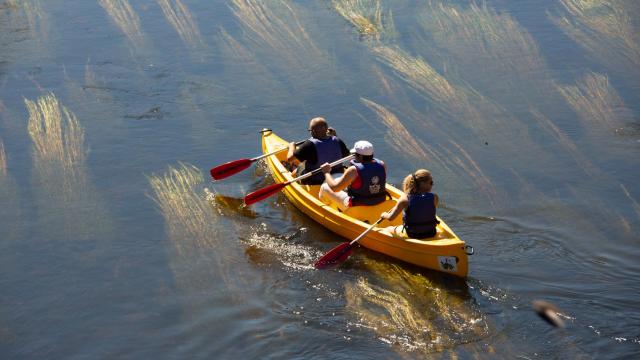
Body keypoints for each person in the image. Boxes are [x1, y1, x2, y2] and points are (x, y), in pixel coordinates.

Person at [319, 140, 387, 211]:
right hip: (379, 202)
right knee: (338, 180)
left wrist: (326, 172)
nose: (353, 157)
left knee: (325, 187)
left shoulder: (353, 170)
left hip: (357, 206)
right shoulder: (382, 165)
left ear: (360, 156)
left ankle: (330, 210)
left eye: (355, 155)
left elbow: (335, 188)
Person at [287, 117, 350, 184]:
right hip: (337, 176)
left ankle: (292, 178)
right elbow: (346, 155)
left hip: (316, 181)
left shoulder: (309, 144)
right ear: (326, 129)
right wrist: (335, 136)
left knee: (300, 166)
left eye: (310, 130)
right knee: (305, 163)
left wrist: (292, 146)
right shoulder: (338, 140)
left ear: (313, 131)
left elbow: (290, 159)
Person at [381, 169, 440, 239]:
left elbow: (390, 218)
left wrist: (384, 215)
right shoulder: (434, 197)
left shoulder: (405, 198)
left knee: (388, 229)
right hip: (431, 232)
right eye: (431, 182)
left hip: (413, 234)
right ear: (423, 184)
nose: (432, 185)